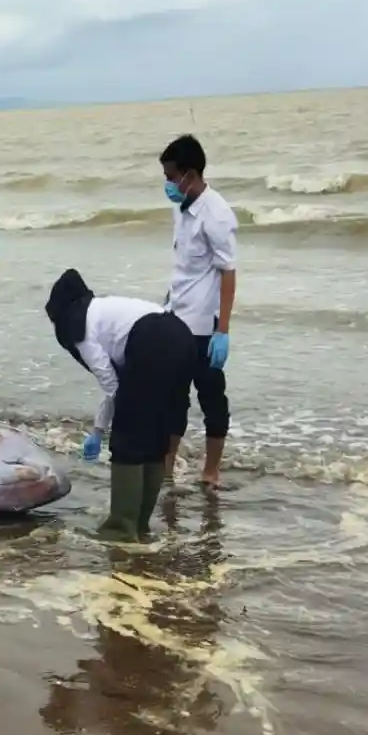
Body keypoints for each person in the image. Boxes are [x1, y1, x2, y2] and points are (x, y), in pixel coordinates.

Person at [45, 269, 197, 540]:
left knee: (129, 442)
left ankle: (120, 528)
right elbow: (119, 387)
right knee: (155, 437)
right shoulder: (105, 309)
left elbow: (113, 386)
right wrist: (98, 430)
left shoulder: (80, 328)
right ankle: (139, 525)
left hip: (151, 341)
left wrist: (104, 431)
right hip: (181, 335)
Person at [159, 134, 238, 488]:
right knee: (173, 401)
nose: (168, 185)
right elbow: (184, 267)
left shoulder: (217, 214)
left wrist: (223, 331)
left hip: (205, 326)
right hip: (177, 319)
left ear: (190, 175)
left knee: (211, 400)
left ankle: (211, 472)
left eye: (171, 177)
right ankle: (166, 469)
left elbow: (228, 272)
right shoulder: (182, 207)